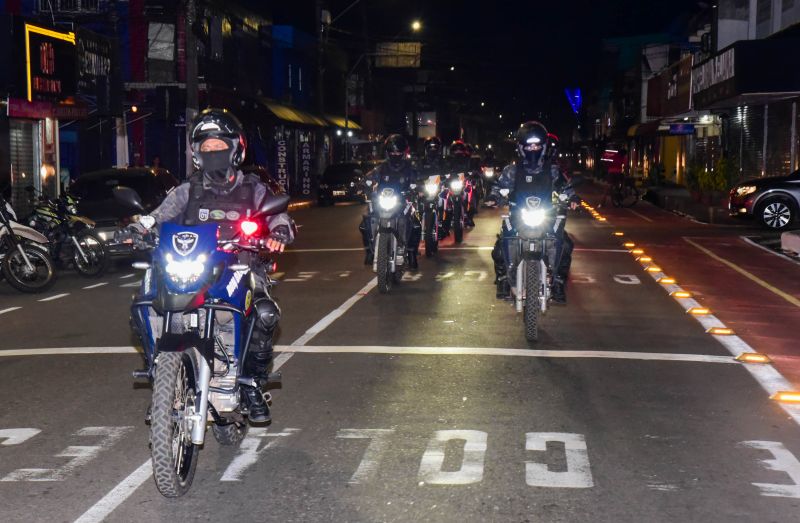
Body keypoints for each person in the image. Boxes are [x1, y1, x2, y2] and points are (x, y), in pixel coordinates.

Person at [128, 108, 294, 423]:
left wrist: (279, 232)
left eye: (219, 146)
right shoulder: (187, 191)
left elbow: (277, 214)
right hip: (189, 266)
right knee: (143, 303)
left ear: (235, 149)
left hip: (240, 269)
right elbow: (158, 215)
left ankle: (251, 386)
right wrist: (138, 227)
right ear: (196, 153)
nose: (213, 152)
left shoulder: (252, 188)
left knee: (266, 313)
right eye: (206, 148)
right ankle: (163, 379)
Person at [490, 121, 578, 304]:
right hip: (518, 217)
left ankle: (559, 283)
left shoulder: (552, 170)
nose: (533, 148)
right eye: (529, 145)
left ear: (544, 146)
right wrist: (494, 197)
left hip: (546, 216)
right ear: (521, 147)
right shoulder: (511, 171)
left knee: (566, 244)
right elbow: (498, 187)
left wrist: (572, 199)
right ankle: (503, 280)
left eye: (536, 145)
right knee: (499, 247)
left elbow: (566, 188)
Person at [359, 134, 421, 269]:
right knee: (365, 222)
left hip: (402, 202)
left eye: (398, 151)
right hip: (382, 201)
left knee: (416, 224)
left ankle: (411, 253)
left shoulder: (409, 168)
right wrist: (364, 183)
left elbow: (418, 180)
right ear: (387, 152)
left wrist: (418, 187)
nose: (395, 154)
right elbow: (369, 177)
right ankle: (369, 251)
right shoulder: (381, 168)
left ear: (404, 152)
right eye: (392, 151)